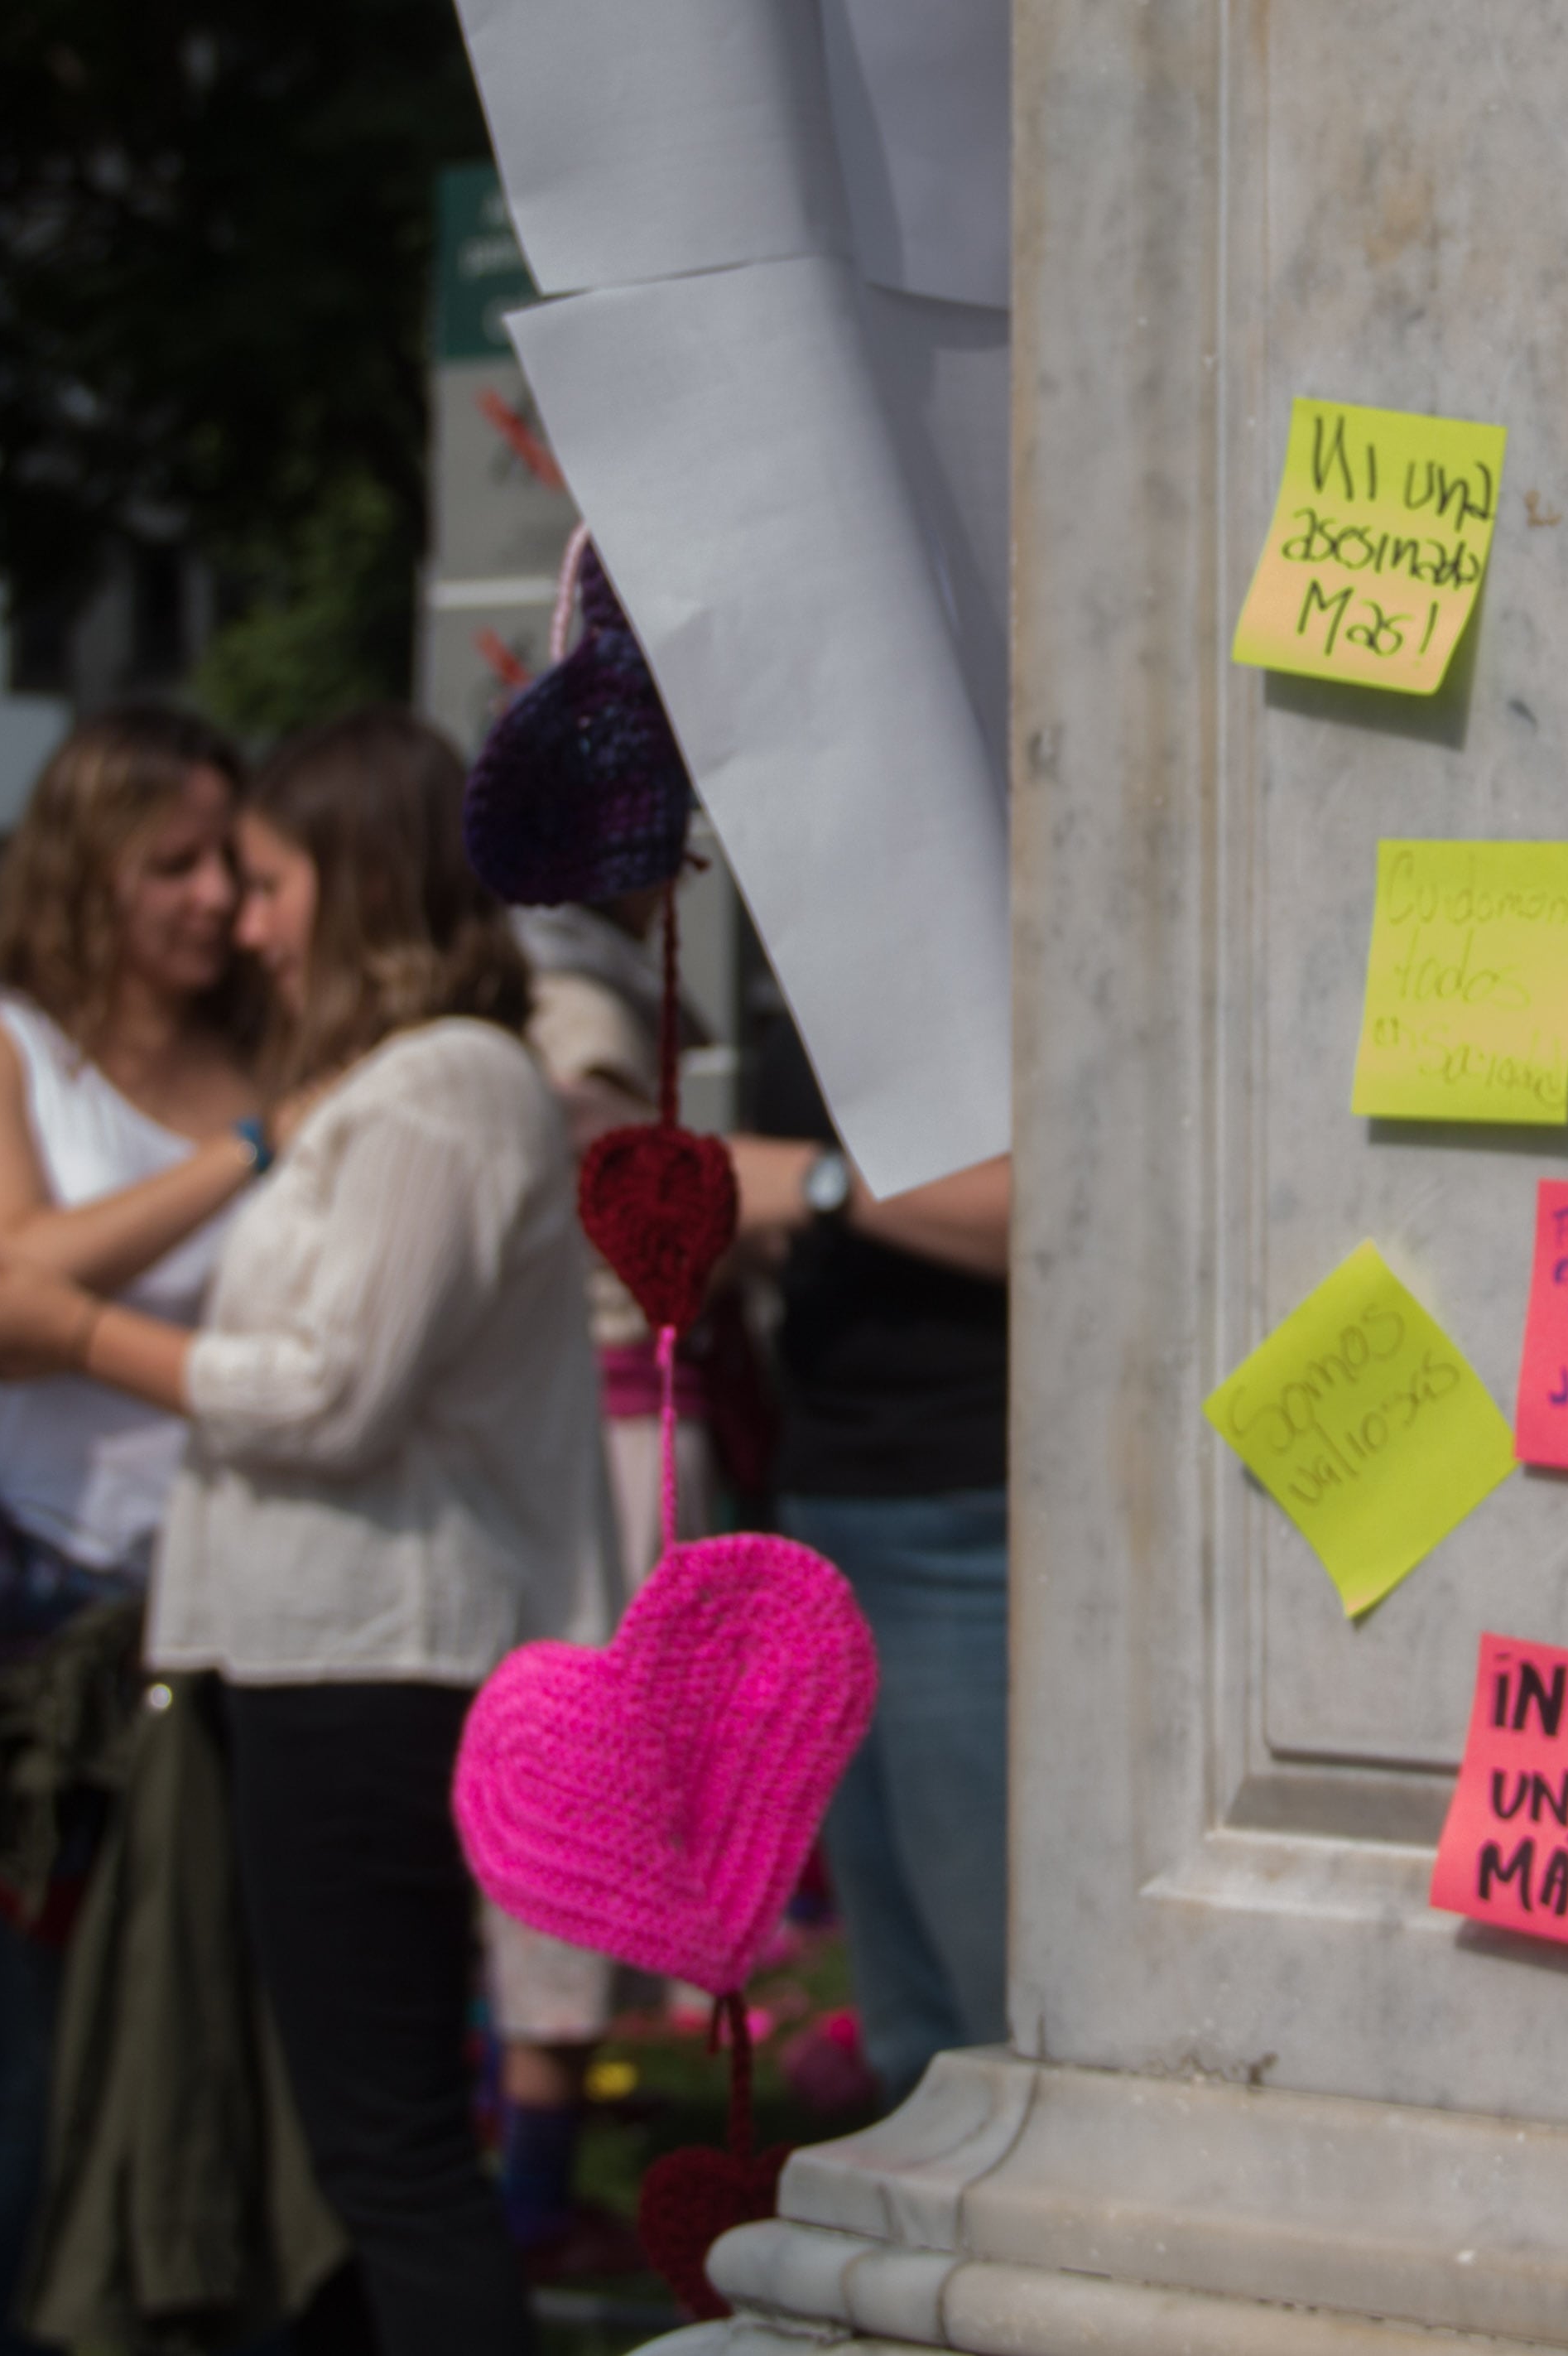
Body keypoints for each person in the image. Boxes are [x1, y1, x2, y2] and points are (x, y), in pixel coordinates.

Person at [0, 704, 617, 2356]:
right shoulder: (389, 1084)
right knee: (333, 2141)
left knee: (385, 2149)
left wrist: (76, 1334)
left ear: (359, 881)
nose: (246, 922)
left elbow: (326, 1391)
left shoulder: (444, 1086)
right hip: (313, 1649)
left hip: (371, 1656)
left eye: (266, 880)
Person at [0, 703, 267, 2356]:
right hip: (37, 1616)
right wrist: (249, 1150)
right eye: (172, 863)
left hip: (243, 1604)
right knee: (43, 2065)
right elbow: (3, 1272)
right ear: (84, 865)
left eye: (230, 861)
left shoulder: (276, 1035)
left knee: (230, 2046)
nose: (214, 897)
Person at [729, 1014, 1014, 2108]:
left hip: (966, 1512)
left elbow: (1066, 1205)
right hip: (834, 1500)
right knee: (910, 2031)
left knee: (998, 2026)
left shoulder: (1001, 940)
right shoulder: (810, 971)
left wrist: (812, 1184)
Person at [494, 884, 713, 2272]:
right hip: (604, 1440)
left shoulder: (561, 985)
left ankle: (520, 2153)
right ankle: (526, 2178)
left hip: (596, 1428)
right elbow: (600, 1174)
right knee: (579, 1792)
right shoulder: (572, 1000)